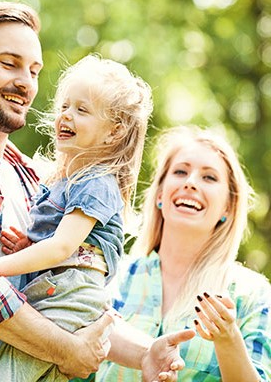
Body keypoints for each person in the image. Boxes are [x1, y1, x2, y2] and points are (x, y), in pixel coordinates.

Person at [0, 1, 194, 382]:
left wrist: (143, 354)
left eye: (34, 70)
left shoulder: (33, 178)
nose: (26, 82)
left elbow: (64, 301)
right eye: (9, 63)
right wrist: (66, 351)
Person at [0, 53, 152, 381]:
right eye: (65, 106)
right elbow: (57, 242)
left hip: (71, 293)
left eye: (82, 110)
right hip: (54, 289)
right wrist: (29, 243)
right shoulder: (63, 181)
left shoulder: (96, 182)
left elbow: (60, 249)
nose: (66, 115)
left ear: (114, 132)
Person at [97, 125, 271, 381]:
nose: (190, 183)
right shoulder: (110, 276)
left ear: (227, 207)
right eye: (180, 172)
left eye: (209, 177)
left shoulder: (251, 294)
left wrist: (227, 338)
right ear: (159, 194)